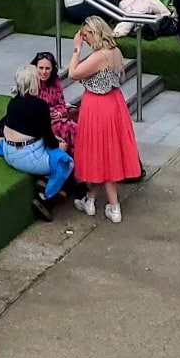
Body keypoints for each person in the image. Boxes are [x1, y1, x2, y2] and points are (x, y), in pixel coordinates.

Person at [67, 19, 141, 224]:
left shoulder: (100, 56)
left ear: (95, 32)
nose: (86, 39)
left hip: (97, 105)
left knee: (99, 151)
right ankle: (91, 199)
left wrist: (76, 49)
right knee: (108, 151)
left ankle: (113, 205)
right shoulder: (115, 51)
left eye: (87, 35)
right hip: (114, 102)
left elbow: (73, 73)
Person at [0, 76, 75, 218]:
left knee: (49, 150)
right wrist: (59, 146)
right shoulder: (39, 105)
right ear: (34, 84)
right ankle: (46, 195)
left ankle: (48, 182)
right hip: (27, 157)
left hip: (7, 150)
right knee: (66, 162)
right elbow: (48, 138)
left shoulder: (13, 101)